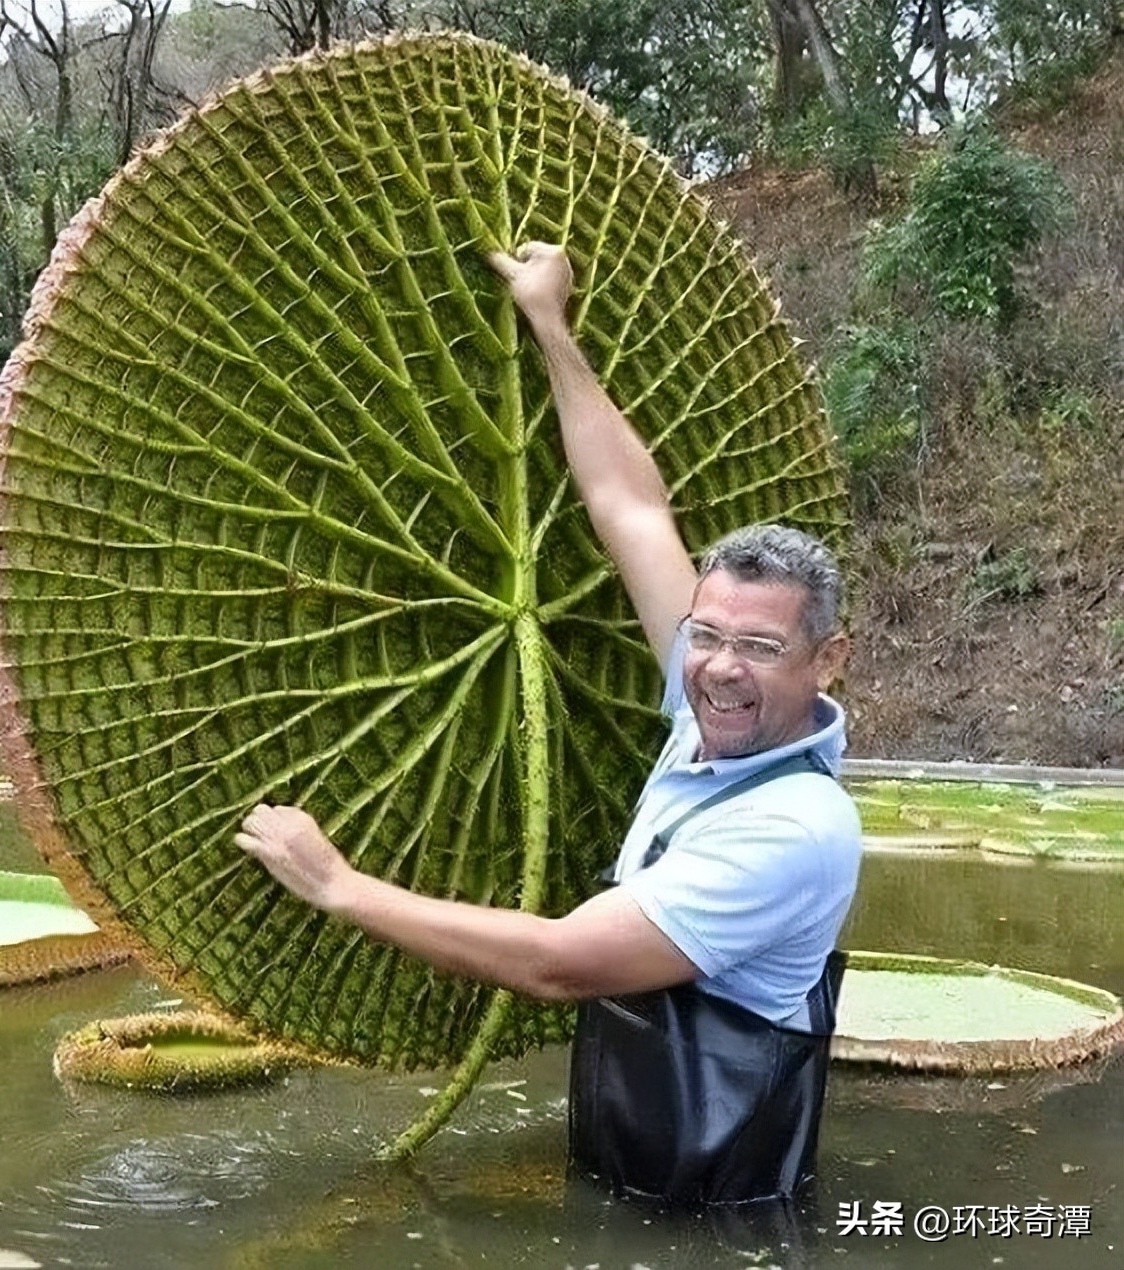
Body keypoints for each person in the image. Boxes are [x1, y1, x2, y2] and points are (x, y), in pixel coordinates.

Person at [235, 242, 862, 1208]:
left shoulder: (797, 831)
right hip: (631, 1166)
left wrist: (340, 885)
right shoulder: (707, 709)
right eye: (706, 635)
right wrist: (549, 325)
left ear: (828, 660)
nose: (722, 668)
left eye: (762, 649)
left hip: (720, 1214)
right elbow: (630, 507)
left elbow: (560, 963)